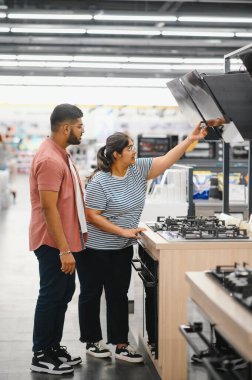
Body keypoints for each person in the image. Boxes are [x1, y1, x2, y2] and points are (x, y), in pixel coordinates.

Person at [74, 121, 212, 363]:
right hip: (94, 249)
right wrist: (122, 231)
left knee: (117, 295)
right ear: (116, 154)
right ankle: (92, 341)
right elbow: (91, 216)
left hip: (121, 248)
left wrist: (191, 139)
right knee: (91, 294)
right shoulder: (99, 182)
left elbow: (167, 158)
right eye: (129, 148)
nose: (134, 151)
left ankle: (121, 345)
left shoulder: (138, 170)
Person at [29, 103, 87, 375]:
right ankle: (40, 352)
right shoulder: (50, 160)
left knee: (63, 294)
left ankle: (52, 346)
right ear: (66, 128)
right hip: (53, 242)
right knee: (52, 295)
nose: (82, 131)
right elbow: (48, 208)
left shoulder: (61, 153)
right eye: (79, 126)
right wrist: (64, 250)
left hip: (65, 241)